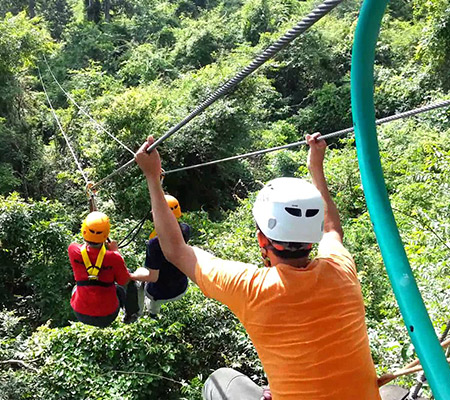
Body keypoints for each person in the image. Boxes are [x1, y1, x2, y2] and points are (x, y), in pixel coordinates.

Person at [134, 133, 381, 399]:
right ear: (314, 235)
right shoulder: (341, 268)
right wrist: (315, 168)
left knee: (219, 380)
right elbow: (333, 229)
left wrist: (152, 178)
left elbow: (175, 250)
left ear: (262, 238)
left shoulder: (252, 288)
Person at [68, 211, 139, 327]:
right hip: (108, 315)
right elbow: (123, 281)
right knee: (128, 281)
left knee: (77, 287)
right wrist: (115, 251)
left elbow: (85, 247)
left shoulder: (73, 250)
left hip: (80, 313)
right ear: (106, 234)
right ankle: (130, 314)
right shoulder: (114, 257)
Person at [129, 195, 192, 317]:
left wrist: (130, 276)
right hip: (181, 287)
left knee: (139, 275)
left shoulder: (154, 244)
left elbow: (152, 277)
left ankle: (147, 313)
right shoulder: (185, 229)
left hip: (160, 293)